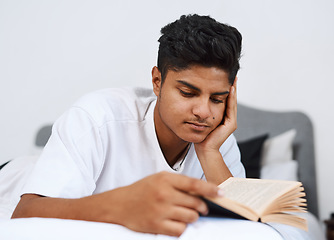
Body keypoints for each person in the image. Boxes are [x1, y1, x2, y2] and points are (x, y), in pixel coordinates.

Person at [11, 14, 244, 237]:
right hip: (13, 180)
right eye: (187, 93)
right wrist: (121, 206)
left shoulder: (218, 141)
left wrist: (209, 151)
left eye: (217, 99)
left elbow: (244, 224)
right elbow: (24, 213)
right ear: (157, 81)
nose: (203, 112)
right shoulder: (96, 117)